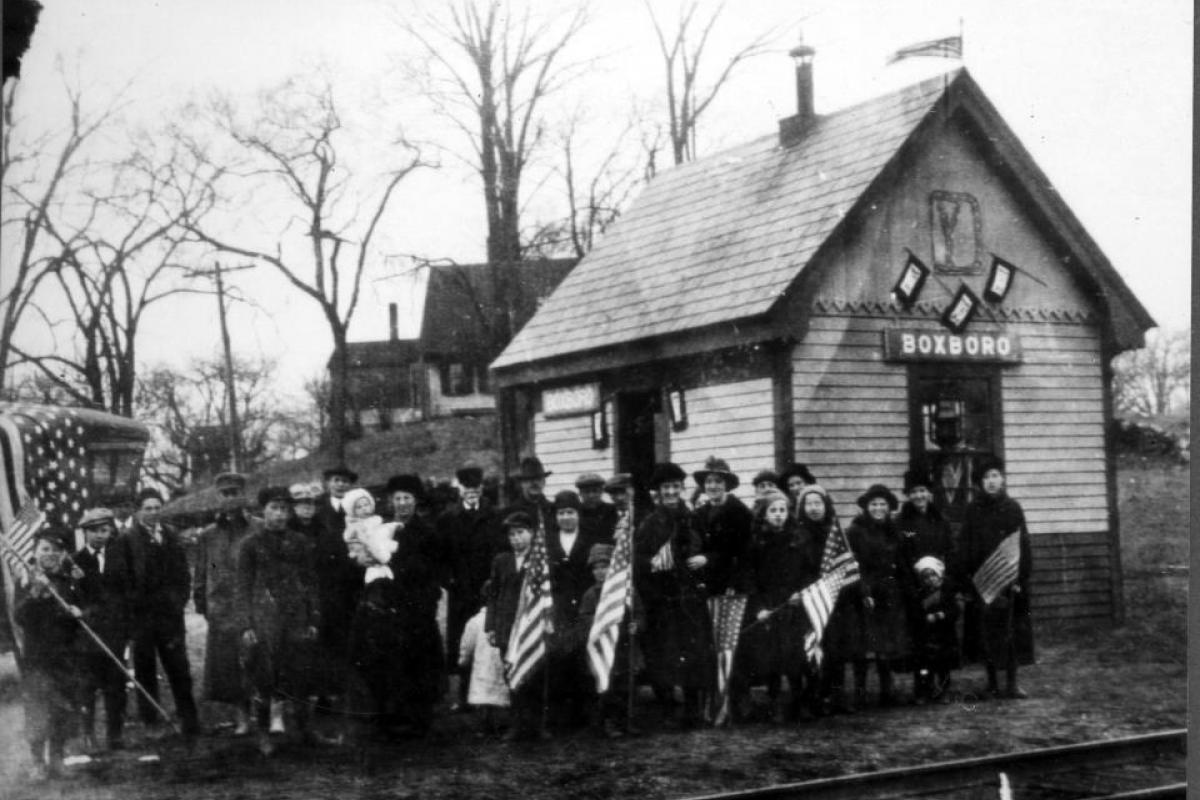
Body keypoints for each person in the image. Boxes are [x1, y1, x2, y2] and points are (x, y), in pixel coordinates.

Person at [235, 487, 321, 754]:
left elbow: (311, 582)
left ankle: (306, 732)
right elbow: (243, 586)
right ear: (264, 511)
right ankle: (264, 735)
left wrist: (313, 618)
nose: (280, 514)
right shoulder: (251, 545)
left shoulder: (300, 542)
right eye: (275, 508)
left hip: (296, 616)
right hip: (265, 618)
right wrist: (247, 625)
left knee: (301, 673)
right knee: (264, 676)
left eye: (285, 509)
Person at [633, 462, 711, 728]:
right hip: (662, 600)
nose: (670, 492)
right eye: (665, 487)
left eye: (675, 487)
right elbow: (640, 563)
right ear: (658, 492)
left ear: (681, 488)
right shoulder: (649, 524)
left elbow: (707, 547)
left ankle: (692, 710)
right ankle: (667, 709)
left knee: (693, 654)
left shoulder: (693, 517)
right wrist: (654, 582)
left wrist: (705, 558)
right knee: (663, 656)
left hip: (689, 598)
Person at [736, 488, 823, 723]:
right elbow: (749, 577)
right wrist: (759, 607)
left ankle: (798, 701)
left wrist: (801, 594)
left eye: (782, 510)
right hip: (769, 606)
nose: (778, 515)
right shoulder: (756, 541)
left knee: (796, 655)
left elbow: (810, 572)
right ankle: (775, 702)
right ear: (764, 514)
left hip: (794, 604)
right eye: (773, 510)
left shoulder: (799, 538)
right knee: (772, 658)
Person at [123, 488, 199, 737]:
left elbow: (183, 575)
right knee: (145, 669)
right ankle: (151, 721)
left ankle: (189, 718)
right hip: (142, 617)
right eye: (148, 508)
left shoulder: (171, 535)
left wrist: (178, 601)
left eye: (157, 507)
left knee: (179, 667)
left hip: (170, 616)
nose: (154, 512)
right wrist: (135, 607)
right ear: (138, 511)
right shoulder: (126, 540)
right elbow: (121, 581)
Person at [958, 456, 1034, 700]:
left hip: (1010, 579)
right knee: (987, 632)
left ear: (1002, 479)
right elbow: (966, 545)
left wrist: (1021, 578)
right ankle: (991, 683)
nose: (991, 482)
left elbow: (1023, 543)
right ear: (979, 483)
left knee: (1011, 630)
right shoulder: (973, 510)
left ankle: (1012, 683)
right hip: (984, 580)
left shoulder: (1013, 507)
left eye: (995, 476)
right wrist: (970, 577)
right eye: (985, 478)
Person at [15, 527, 85, 781]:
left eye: (56, 550)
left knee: (64, 711)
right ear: (34, 552)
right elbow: (20, 617)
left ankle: (57, 759)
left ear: (64, 553)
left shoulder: (68, 581)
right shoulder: (25, 579)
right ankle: (37, 763)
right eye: (45, 549)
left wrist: (77, 613)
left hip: (65, 656)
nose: (50, 554)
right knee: (38, 711)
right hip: (37, 659)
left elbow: (78, 617)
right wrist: (36, 592)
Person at [438, 463, 505, 712]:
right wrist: (450, 581)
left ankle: (491, 696)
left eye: (476, 487)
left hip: (488, 588)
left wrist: (494, 580)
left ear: (482, 488)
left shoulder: (495, 515)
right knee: (463, 643)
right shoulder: (448, 518)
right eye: (467, 487)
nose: (472, 492)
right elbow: (441, 556)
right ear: (460, 490)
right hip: (461, 590)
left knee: (489, 639)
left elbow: (501, 549)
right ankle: (465, 696)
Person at [193, 472, 256, 735]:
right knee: (229, 665)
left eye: (234, 493)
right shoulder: (208, 535)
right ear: (218, 497)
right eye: (225, 493)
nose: (230, 498)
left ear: (243, 496)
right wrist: (204, 606)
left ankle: (267, 716)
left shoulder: (258, 528)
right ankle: (241, 716)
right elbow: (200, 574)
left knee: (258, 661)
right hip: (222, 609)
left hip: (254, 606)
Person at [844, 484, 913, 709]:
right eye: (874, 504)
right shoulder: (855, 531)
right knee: (862, 646)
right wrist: (864, 591)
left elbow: (901, 562)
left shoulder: (894, 530)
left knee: (885, 644)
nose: (878, 508)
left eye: (883, 504)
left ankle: (886, 691)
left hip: (889, 593)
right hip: (863, 593)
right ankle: (860, 693)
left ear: (889, 507)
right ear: (866, 507)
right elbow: (854, 565)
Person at [485, 512, 551, 742]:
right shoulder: (501, 561)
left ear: (532, 534)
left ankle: (537, 725)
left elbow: (548, 595)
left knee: (536, 676)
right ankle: (517, 724)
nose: (516, 539)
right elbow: (493, 594)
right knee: (512, 674)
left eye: (521, 533)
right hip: (507, 627)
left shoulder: (540, 559)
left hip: (532, 626)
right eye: (512, 534)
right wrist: (491, 627)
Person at [74, 507, 131, 752]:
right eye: (93, 531)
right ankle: (87, 733)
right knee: (87, 686)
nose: (99, 535)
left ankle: (115, 734)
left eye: (104, 530)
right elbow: (73, 597)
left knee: (115, 684)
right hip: (87, 635)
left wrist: (125, 627)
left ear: (110, 532)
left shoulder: (120, 558)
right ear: (85, 533)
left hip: (115, 632)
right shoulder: (74, 561)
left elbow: (127, 594)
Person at [577, 543, 644, 738]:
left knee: (627, 685)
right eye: (596, 568)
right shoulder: (591, 594)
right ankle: (608, 722)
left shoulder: (627, 591)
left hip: (625, 646)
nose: (600, 572)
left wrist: (636, 625)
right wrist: (602, 623)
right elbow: (585, 617)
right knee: (608, 687)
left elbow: (639, 613)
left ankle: (627, 721)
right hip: (604, 647)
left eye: (604, 567)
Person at [545, 489, 598, 729]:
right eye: (561, 513)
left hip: (584, 605)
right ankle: (560, 716)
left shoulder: (588, 539)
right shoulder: (547, 541)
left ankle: (585, 714)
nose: (566, 517)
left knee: (582, 659)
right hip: (559, 606)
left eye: (570, 512)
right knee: (559, 658)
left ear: (578, 514)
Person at [691, 456, 754, 595]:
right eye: (708, 481)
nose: (713, 486)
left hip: (732, 585)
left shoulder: (741, 513)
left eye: (718, 481)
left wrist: (708, 559)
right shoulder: (699, 513)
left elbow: (743, 555)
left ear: (727, 484)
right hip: (707, 584)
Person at [457, 580, 510, 736]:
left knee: (485, 696)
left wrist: (463, 660)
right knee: (498, 694)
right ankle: (495, 723)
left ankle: (487, 725)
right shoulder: (504, 620)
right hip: (498, 664)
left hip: (483, 666)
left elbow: (467, 645)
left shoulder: (475, 622)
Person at [911, 556, 959, 703]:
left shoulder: (946, 593)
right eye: (926, 577)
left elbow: (954, 610)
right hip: (926, 637)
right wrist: (923, 619)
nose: (930, 579)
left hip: (944, 635)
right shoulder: (919, 595)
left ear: (939, 576)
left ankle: (945, 690)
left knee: (943, 666)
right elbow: (915, 614)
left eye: (933, 575)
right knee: (924, 668)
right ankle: (924, 690)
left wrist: (941, 615)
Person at [503, 456, 556, 536]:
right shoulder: (511, 512)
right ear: (522, 484)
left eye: (538, 479)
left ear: (544, 482)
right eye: (529, 480)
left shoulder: (552, 510)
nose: (534, 483)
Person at [316, 465, 358, 539]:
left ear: (351, 485)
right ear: (328, 483)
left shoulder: (358, 505)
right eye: (336, 480)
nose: (340, 484)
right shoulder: (318, 504)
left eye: (345, 481)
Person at [576, 473, 618, 545]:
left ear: (601, 491)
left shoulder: (612, 511)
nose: (591, 495)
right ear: (580, 493)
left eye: (595, 491)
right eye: (587, 491)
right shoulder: (576, 513)